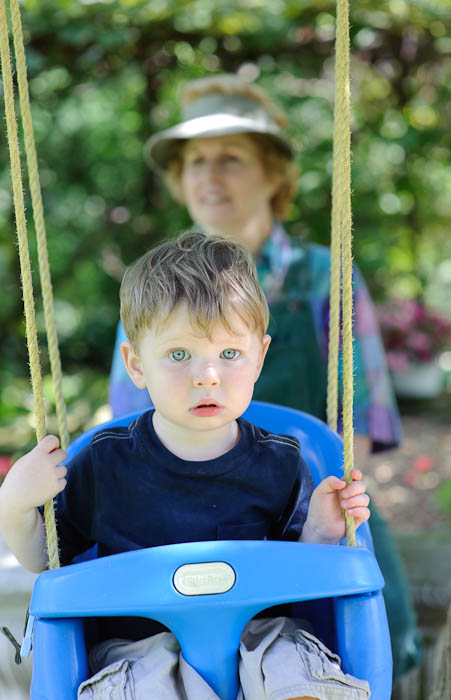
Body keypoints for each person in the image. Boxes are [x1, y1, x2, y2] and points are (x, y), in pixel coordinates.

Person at [108, 74, 421, 682]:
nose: (209, 175)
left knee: (360, 659)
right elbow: (127, 425)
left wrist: (322, 525)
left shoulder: (325, 277)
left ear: (275, 174)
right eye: (195, 160)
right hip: (176, 522)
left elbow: (360, 428)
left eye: (231, 158)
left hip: (312, 519)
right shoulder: (154, 294)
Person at [0, 231, 372, 700]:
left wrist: (321, 531)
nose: (207, 375)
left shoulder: (283, 460)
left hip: (258, 643)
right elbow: (43, 560)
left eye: (230, 354)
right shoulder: (104, 464)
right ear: (136, 365)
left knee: (295, 662)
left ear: (259, 357)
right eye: (179, 355)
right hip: (137, 649)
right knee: (138, 685)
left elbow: (305, 583)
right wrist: (14, 504)